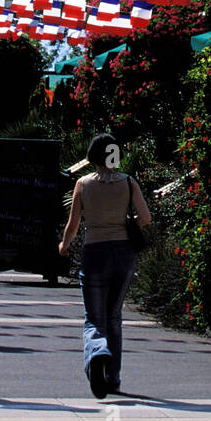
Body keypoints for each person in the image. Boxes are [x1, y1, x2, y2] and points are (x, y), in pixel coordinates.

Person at [59, 132, 151, 398]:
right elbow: (145, 218)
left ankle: (98, 350)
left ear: (92, 156)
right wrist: (126, 217)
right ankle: (114, 376)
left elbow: (73, 224)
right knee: (114, 316)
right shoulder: (129, 183)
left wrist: (64, 246)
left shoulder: (83, 184)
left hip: (95, 251)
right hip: (123, 253)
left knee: (93, 318)